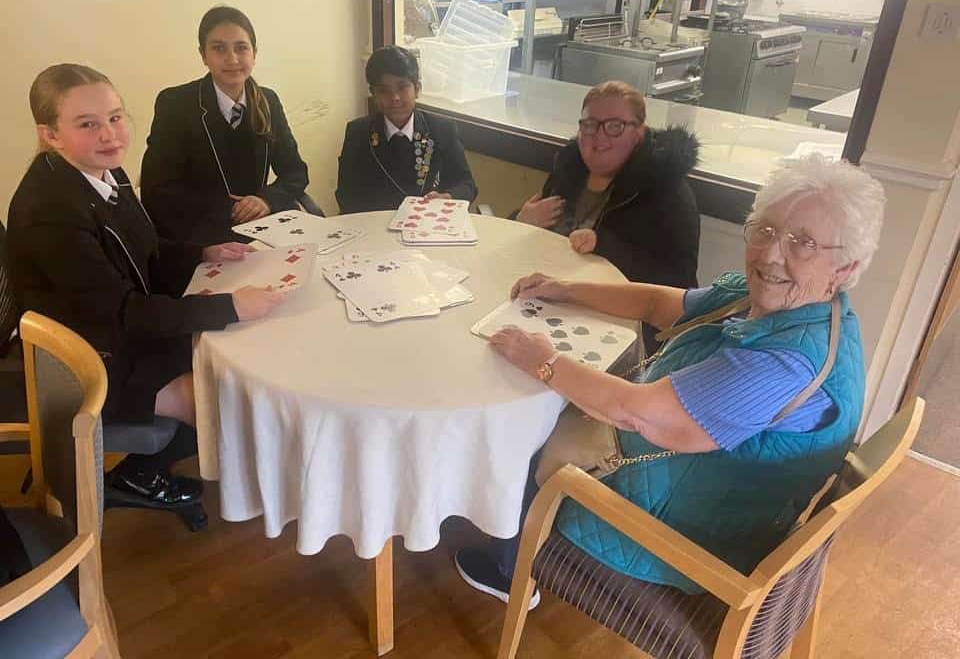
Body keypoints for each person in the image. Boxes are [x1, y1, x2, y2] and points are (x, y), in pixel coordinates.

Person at [455, 153, 885, 606]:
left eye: (804, 243)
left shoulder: (783, 366)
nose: (771, 253)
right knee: (560, 400)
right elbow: (663, 304)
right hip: (702, 486)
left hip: (676, 530)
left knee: (522, 436)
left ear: (846, 269)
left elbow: (633, 413)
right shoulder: (792, 304)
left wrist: (541, 360)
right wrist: (566, 289)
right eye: (766, 229)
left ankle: (510, 568)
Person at [6, 64, 283, 510]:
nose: (110, 135)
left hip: (119, 333)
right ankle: (144, 474)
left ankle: (139, 472)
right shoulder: (49, 210)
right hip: (87, 362)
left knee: (235, 358)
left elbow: (144, 250)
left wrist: (201, 253)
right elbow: (124, 312)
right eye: (87, 124)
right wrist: (229, 306)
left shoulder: (103, 172)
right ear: (50, 135)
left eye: (116, 117)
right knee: (221, 397)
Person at [513, 81, 700, 354]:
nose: (598, 138)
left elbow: (678, 284)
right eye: (589, 125)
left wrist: (604, 246)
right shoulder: (569, 168)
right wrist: (521, 219)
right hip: (552, 298)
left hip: (621, 323)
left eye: (614, 126)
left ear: (638, 133)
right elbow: (531, 231)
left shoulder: (668, 190)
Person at [141, 5, 312, 246]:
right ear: (203, 55)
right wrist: (226, 208)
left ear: (254, 53)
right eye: (219, 48)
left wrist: (265, 200)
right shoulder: (175, 104)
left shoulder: (267, 101)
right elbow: (157, 190)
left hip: (260, 230)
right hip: (201, 235)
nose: (232, 59)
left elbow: (295, 172)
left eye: (241, 48)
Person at [335, 45, 477, 214]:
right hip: (376, 227)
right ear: (373, 94)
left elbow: (467, 185)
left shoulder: (442, 128)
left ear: (417, 89)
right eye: (384, 91)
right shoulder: (358, 132)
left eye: (402, 87)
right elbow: (346, 194)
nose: (394, 98)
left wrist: (447, 197)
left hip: (429, 224)